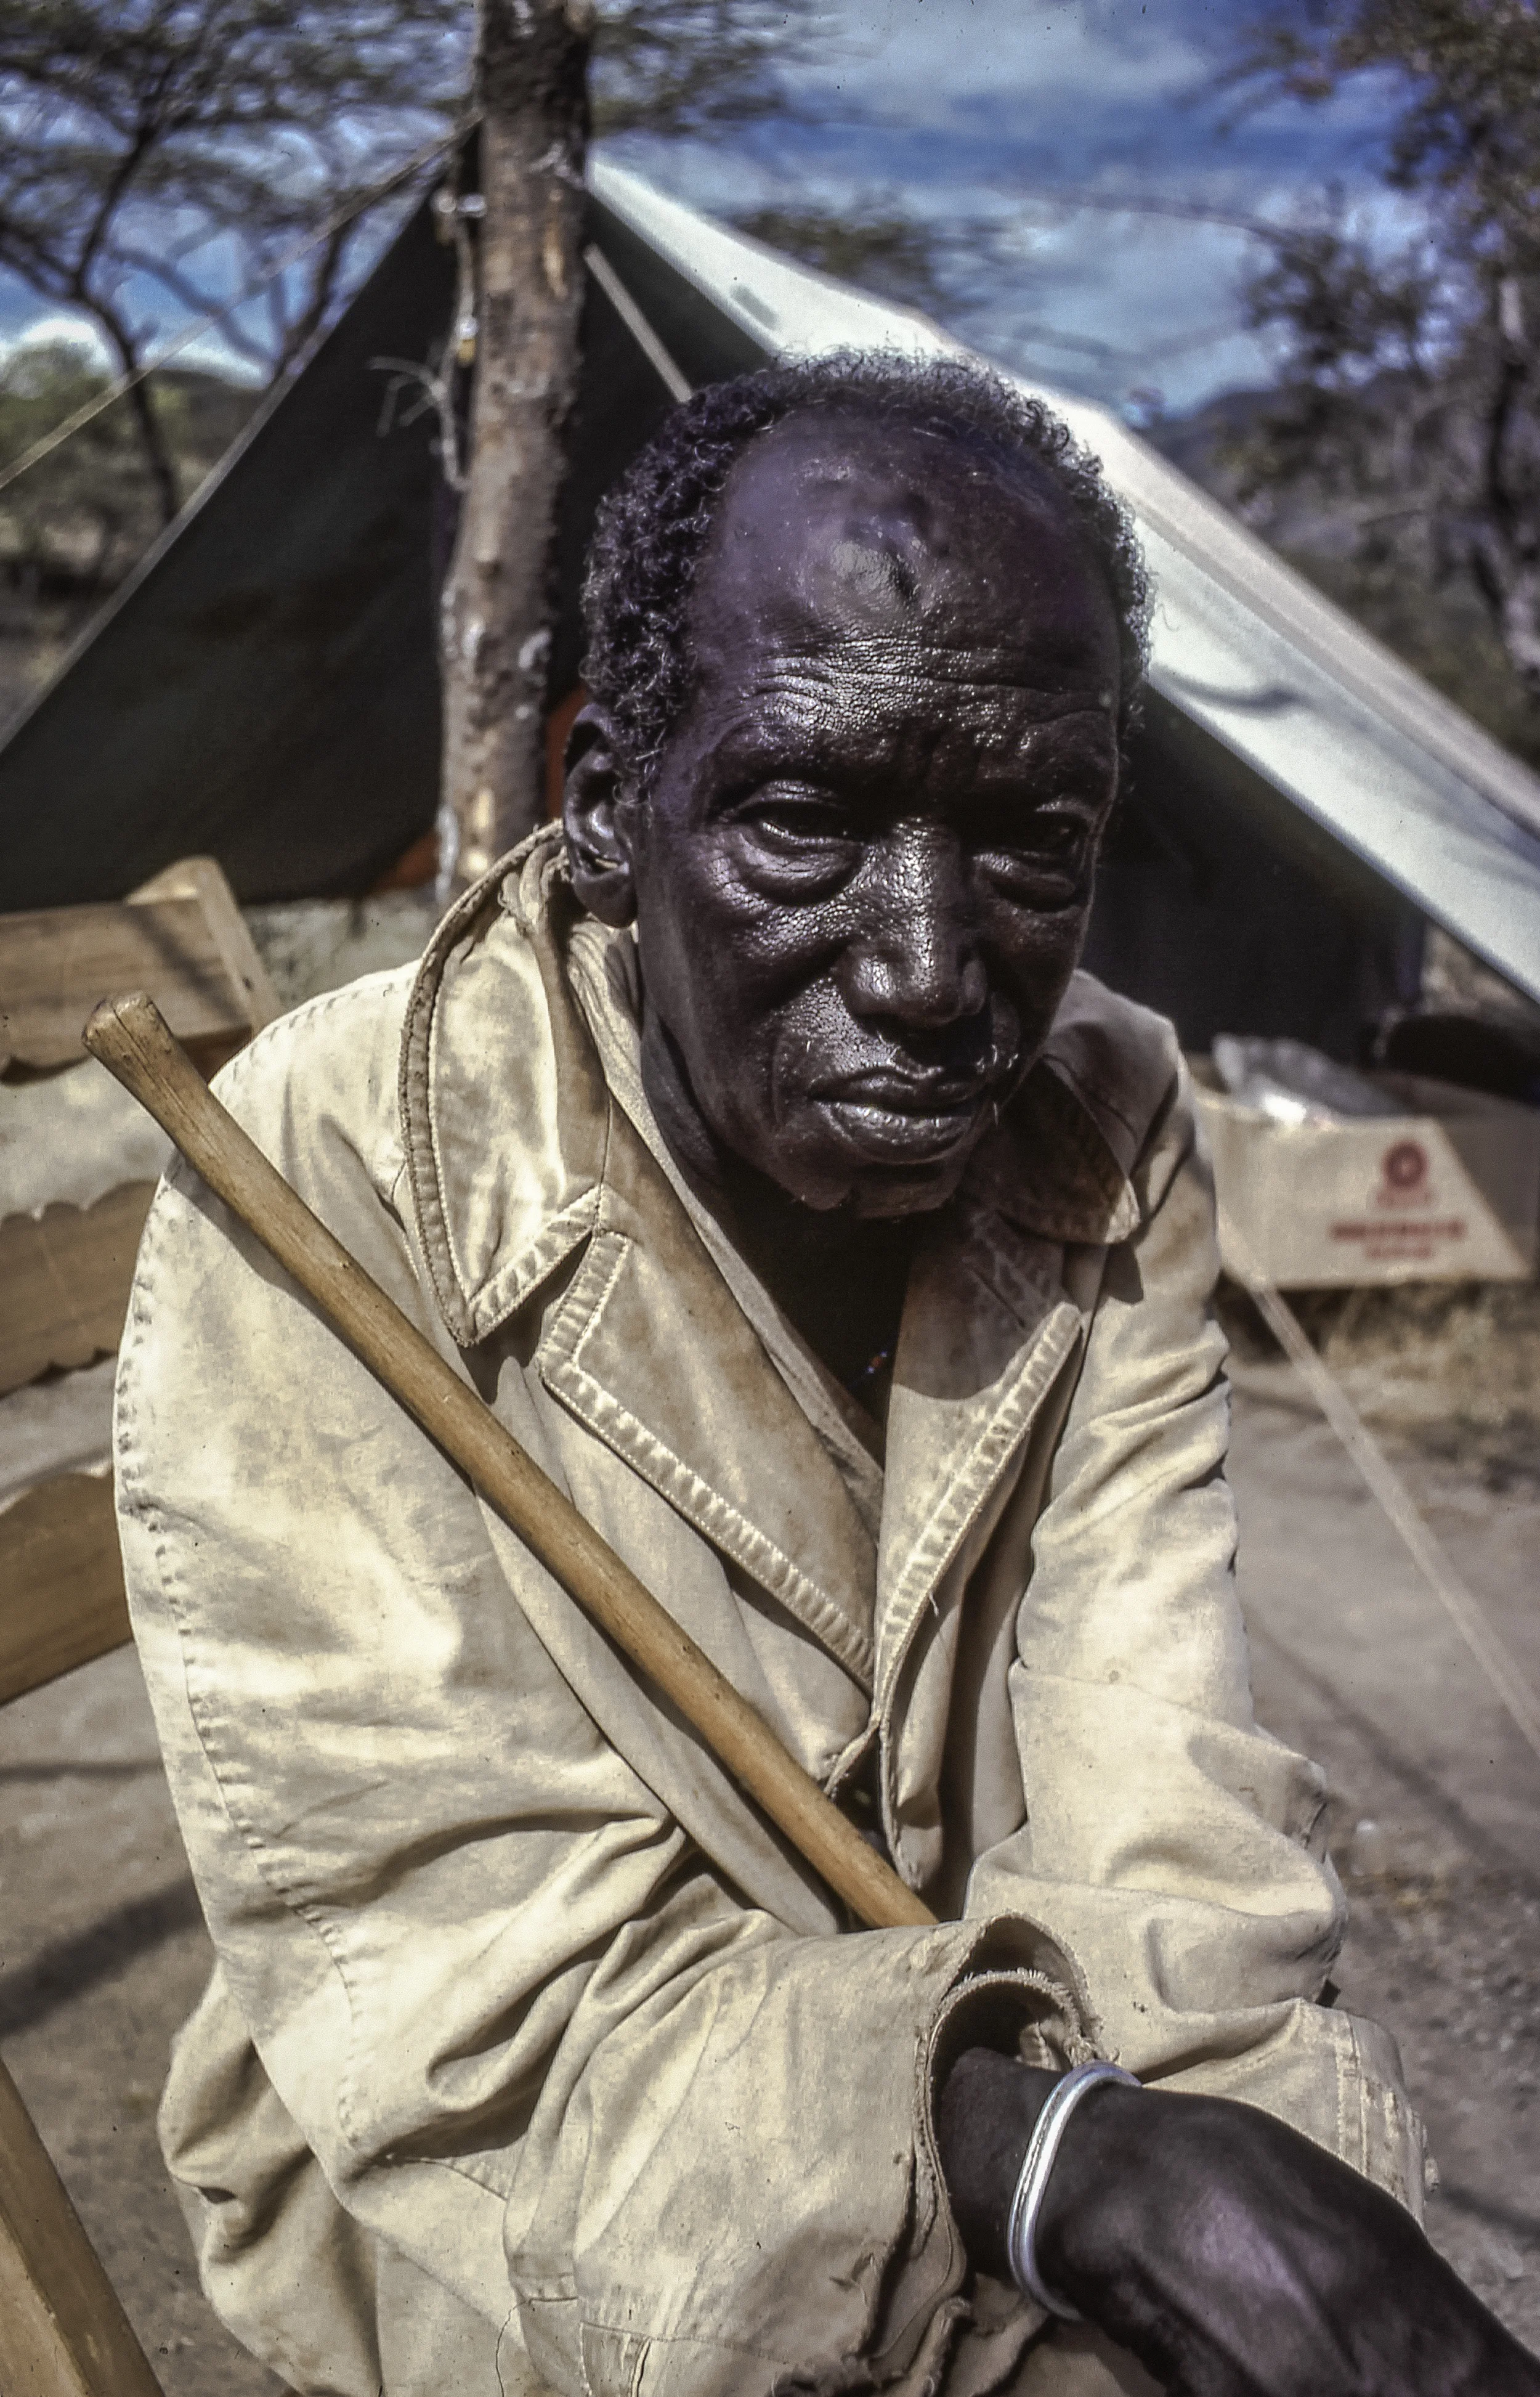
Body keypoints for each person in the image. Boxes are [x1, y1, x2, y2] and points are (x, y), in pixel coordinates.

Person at [115, 354, 1539, 2397]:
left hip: (1020, 2066)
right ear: (610, 799)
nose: (930, 967)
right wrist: (1068, 2165)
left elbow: (1166, 1811)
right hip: (471, 2167)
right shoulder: (336, 1159)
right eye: (803, 815)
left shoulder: (1104, 1120)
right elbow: (464, 1994)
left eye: (1029, 841)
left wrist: (1241, 2180)